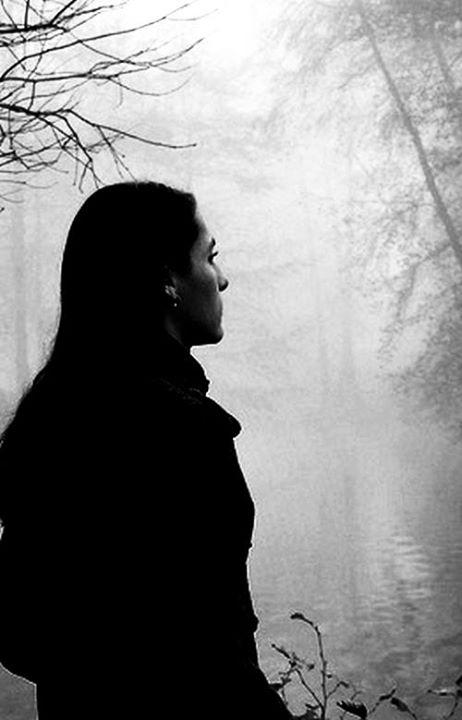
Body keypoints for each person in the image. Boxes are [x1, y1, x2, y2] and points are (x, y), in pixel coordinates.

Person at [0, 182, 293, 719]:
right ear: (167, 280)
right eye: (209, 258)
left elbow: (20, 635)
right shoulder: (184, 434)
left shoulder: (50, 421)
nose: (223, 279)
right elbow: (219, 665)